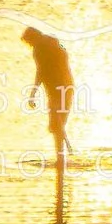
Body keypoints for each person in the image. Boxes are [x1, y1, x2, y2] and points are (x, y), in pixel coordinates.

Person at [20, 25, 76, 163]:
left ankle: (60, 158)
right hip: (67, 87)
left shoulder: (39, 50)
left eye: (28, 42)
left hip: (56, 90)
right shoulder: (55, 45)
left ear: (32, 38)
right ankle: (61, 157)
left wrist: (33, 93)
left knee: (57, 126)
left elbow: (41, 72)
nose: (29, 45)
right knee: (58, 125)